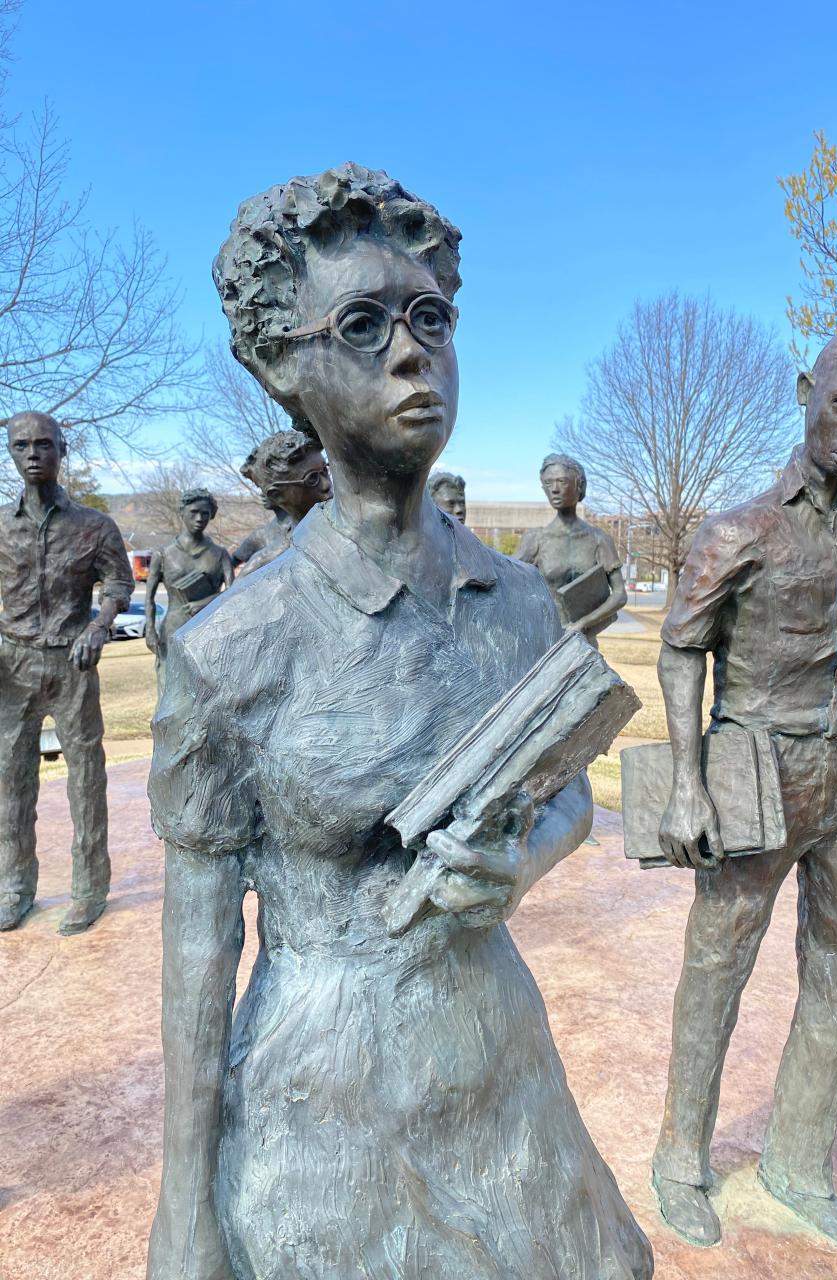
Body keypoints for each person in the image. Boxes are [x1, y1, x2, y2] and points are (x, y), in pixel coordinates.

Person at [146, 164, 652, 1280]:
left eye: (431, 318)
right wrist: (182, 1213)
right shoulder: (233, 646)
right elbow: (197, 941)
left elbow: (566, 784)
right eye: (364, 324)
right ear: (285, 367)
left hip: (501, 1071)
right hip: (321, 1102)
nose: (413, 352)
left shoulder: (519, 599)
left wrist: (520, 860)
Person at [651, 327, 837, 1252]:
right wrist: (687, 781)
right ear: (807, 389)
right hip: (755, 769)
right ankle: (681, 1160)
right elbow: (680, 647)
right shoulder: (740, 530)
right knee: (717, 971)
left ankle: (799, 1164)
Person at [0, 411, 134, 934]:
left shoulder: (94, 525)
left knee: (85, 778)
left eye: (43, 444)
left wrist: (100, 625)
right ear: (10, 454)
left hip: (73, 661)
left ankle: (89, 888)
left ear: (62, 450)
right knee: (11, 782)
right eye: (20, 446)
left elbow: (118, 585)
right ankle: (13, 888)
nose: (32, 454)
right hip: (12, 665)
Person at [518, 453, 626, 644]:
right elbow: (507, 582)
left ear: (579, 485)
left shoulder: (599, 539)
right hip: (544, 641)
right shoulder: (535, 539)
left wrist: (583, 624)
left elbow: (619, 595)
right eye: (548, 483)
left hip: (584, 642)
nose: (555, 490)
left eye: (562, 481)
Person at [144, 488, 234, 693]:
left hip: (210, 631)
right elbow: (148, 597)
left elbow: (233, 594)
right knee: (172, 692)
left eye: (206, 513)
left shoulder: (220, 554)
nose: (200, 518)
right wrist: (149, 630)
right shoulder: (163, 553)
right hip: (173, 629)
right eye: (194, 512)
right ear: (182, 512)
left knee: (210, 692)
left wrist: (203, 603)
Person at [233, 429, 331, 575]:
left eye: (325, 470)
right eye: (312, 479)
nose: (327, 485)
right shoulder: (265, 565)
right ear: (277, 495)